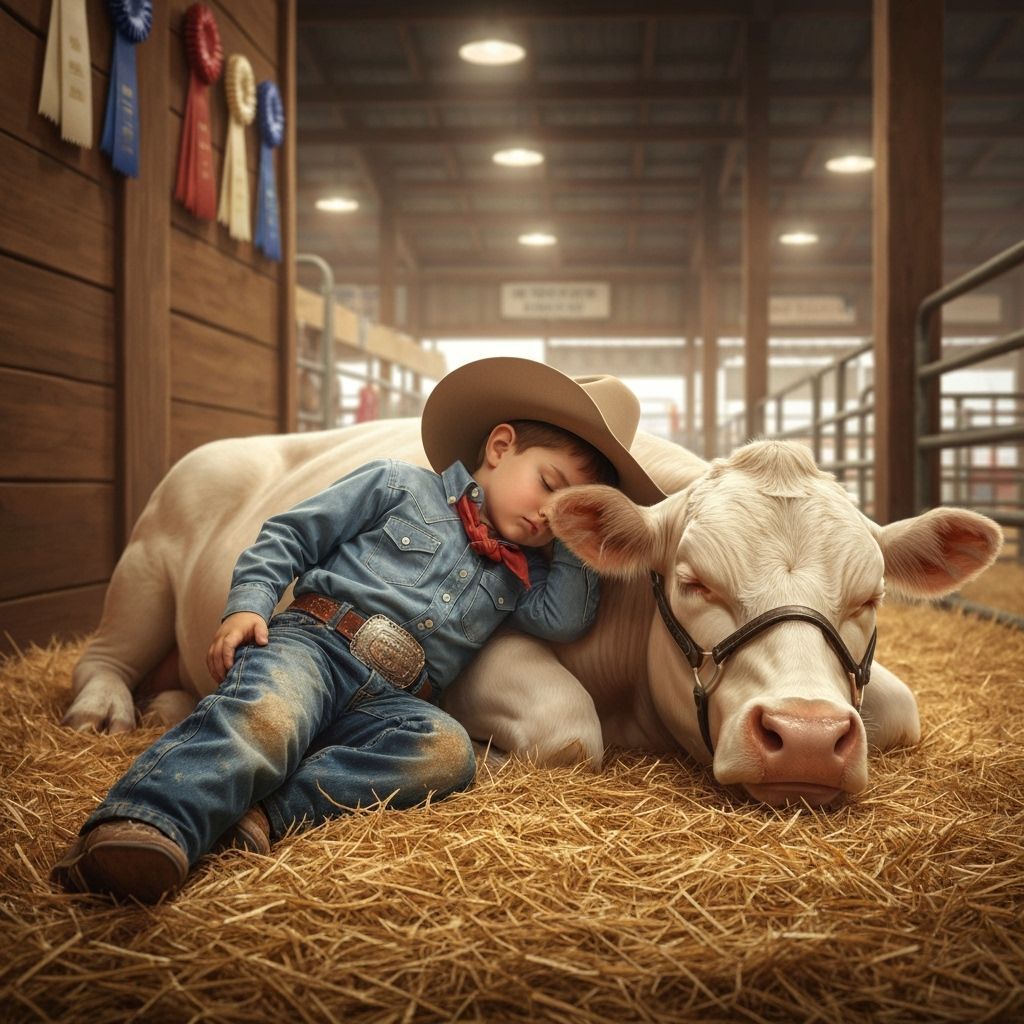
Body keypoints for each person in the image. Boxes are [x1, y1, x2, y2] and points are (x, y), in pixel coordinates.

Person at [51, 357, 664, 903]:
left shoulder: (520, 572)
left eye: (562, 512)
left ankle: (268, 815)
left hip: (396, 699)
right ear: (500, 446)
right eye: (549, 487)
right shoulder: (397, 485)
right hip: (316, 647)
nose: (543, 515)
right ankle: (142, 825)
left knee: (446, 751)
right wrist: (248, 604)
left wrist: (577, 533)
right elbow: (291, 534)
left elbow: (567, 618)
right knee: (266, 717)